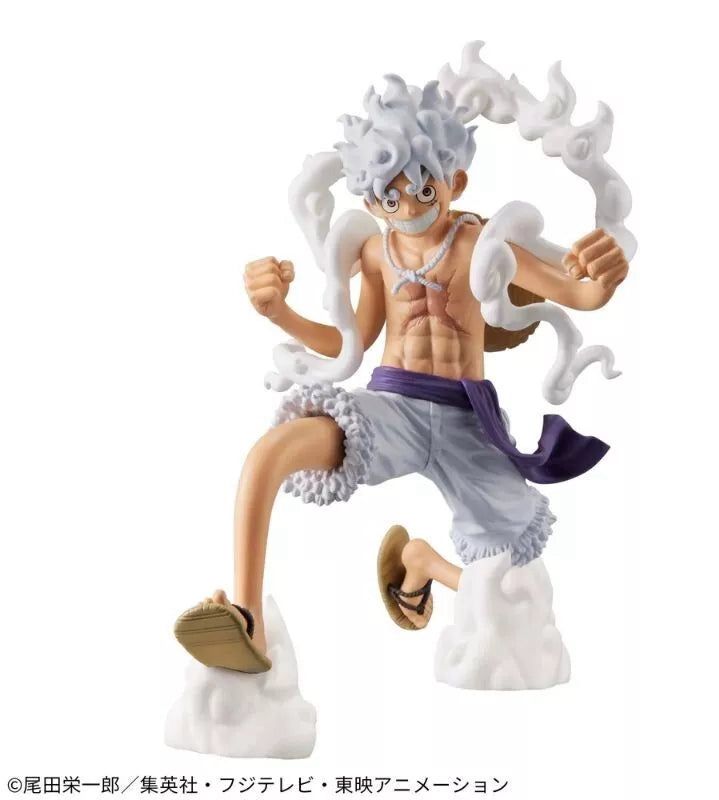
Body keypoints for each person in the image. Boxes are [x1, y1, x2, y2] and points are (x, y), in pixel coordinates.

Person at [174, 75, 628, 673]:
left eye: (423, 190)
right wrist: (279, 312)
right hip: (393, 408)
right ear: (369, 201)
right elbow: (351, 341)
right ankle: (246, 619)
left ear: (454, 182)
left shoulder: (482, 245)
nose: (408, 210)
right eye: (390, 199)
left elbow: (578, 292)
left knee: (513, 581)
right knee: (271, 451)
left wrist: (605, 273)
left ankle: (422, 564)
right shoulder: (373, 253)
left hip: (467, 419)